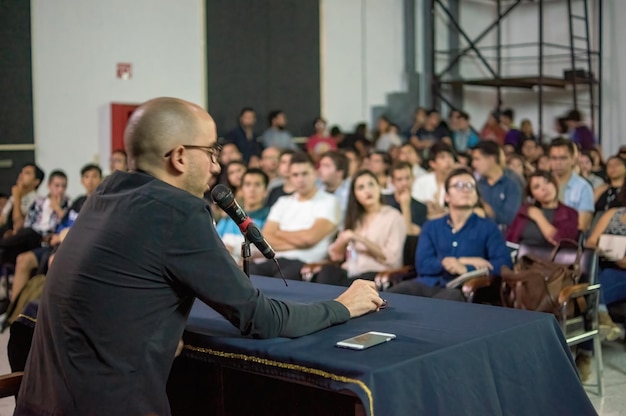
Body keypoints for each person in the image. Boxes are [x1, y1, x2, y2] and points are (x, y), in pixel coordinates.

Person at [15, 97, 383, 415]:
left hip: (39, 402)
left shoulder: (106, 194)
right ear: (178, 157)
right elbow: (260, 319)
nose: (217, 166)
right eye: (210, 152)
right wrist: (343, 306)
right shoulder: (177, 209)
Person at [389, 168, 512, 300]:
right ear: (447, 196)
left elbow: (504, 265)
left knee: (448, 300)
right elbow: (423, 264)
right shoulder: (431, 226)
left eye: (471, 186)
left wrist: (467, 269)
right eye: (458, 185)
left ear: (476, 196)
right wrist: (458, 261)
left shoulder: (488, 227)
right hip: (427, 284)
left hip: (462, 289)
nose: (465, 189)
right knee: (393, 296)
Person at [10, 164, 103, 303]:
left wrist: (58, 212)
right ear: (81, 181)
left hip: (72, 245)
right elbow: (61, 225)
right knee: (23, 259)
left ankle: (50, 313)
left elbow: (82, 228)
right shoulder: (78, 202)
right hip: (49, 242)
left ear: (101, 179)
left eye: (94, 176)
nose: (90, 180)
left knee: (52, 259)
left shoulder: (96, 203)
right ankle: (14, 313)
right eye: (86, 176)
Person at [251, 152, 341, 280]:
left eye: (305, 174)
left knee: (281, 280)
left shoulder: (329, 201)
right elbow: (265, 239)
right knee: (249, 274)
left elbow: (309, 238)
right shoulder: (282, 202)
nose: (300, 179)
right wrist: (301, 241)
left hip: (305, 263)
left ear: (315, 174)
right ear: (290, 177)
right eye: (295, 175)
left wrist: (279, 233)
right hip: (274, 260)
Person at [314, 170, 407, 286]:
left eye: (371, 184)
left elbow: (392, 258)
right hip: (351, 271)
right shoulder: (355, 218)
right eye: (361, 187)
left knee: (356, 282)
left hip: (376, 273)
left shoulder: (394, 216)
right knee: (327, 272)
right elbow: (335, 256)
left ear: (379, 187)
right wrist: (343, 242)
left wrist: (360, 239)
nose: (368, 190)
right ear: (355, 194)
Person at [506, 170, 579, 246]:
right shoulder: (525, 212)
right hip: (521, 255)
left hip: (552, 257)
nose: (544, 188)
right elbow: (509, 241)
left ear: (554, 183)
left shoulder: (570, 213)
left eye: (547, 182)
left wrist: (539, 217)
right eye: (537, 187)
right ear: (532, 195)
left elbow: (562, 243)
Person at [216, 168, 270, 263]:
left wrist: (235, 250)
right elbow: (215, 240)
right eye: (248, 184)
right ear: (241, 189)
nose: (252, 189)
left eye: (257, 185)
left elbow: (270, 247)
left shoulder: (270, 217)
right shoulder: (229, 216)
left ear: (265, 191)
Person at [472, 141, 523, 227]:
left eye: (477, 159)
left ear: (491, 159)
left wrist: (485, 208)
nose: (474, 164)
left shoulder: (513, 182)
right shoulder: (479, 184)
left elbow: (510, 218)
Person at [411, 142, 456, 219]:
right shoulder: (421, 182)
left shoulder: (458, 183)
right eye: (442, 157)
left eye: (450, 157)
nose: (448, 161)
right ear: (432, 163)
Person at [384, 162, 427, 236]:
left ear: (413, 179)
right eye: (399, 179)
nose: (404, 183)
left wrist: (405, 206)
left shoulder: (421, 208)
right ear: (392, 182)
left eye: (408, 178)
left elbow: (409, 235)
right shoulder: (383, 200)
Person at [0, 163, 44, 235]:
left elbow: (19, 226)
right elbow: (2, 219)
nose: (21, 175)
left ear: (36, 181)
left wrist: (17, 198)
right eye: (21, 172)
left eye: (27, 173)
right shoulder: (13, 196)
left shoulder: (38, 201)